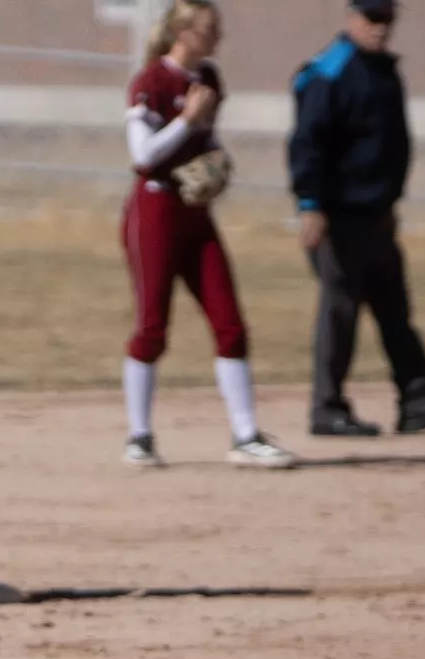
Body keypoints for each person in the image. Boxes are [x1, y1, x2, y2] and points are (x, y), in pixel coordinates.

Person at [120, 0, 297, 470]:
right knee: (152, 326)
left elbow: (206, 140)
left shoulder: (209, 79)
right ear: (183, 32)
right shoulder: (150, 83)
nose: (216, 37)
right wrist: (186, 121)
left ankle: (245, 435)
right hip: (153, 210)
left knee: (230, 323)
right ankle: (139, 436)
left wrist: (216, 158)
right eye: (208, 29)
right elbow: (144, 157)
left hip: (195, 214)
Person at [290, 0, 425, 436]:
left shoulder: (383, 71)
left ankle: (418, 401)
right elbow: (308, 145)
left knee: (395, 310)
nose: (380, 29)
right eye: (372, 19)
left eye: (388, 20)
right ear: (350, 17)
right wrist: (310, 206)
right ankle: (327, 408)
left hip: (376, 213)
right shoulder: (328, 72)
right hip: (339, 217)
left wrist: (389, 204)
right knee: (341, 315)